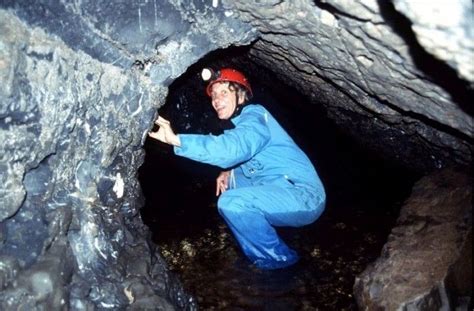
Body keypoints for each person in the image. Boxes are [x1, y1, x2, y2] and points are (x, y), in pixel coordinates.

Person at [148, 68, 326, 270]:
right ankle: (265, 235)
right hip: (280, 187)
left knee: (232, 202)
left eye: (224, 92)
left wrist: (176, 140)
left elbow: (234, 148)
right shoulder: (241, 124)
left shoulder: (255, 116)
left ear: (241, 95)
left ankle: (279, 262)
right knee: (231, 183)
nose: (216, 99)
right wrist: (228, 171)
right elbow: (246, 155)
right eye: (214, 95)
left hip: (304, 196)